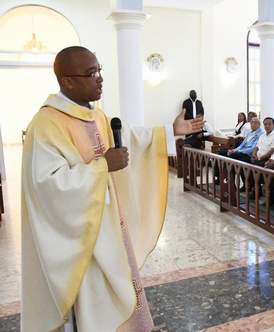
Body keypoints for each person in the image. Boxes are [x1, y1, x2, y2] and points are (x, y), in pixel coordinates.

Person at [21, 46, 203, 332]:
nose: (99, 78)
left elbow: (129, 137)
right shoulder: (46, 124)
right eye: (91, 73)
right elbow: (47, 185)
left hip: (111, 227)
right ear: (67, 81)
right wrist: (102, 166)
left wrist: (171, 131)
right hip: (81, 236)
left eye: (99, 70)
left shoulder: (98, 117)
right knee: (91, 303)